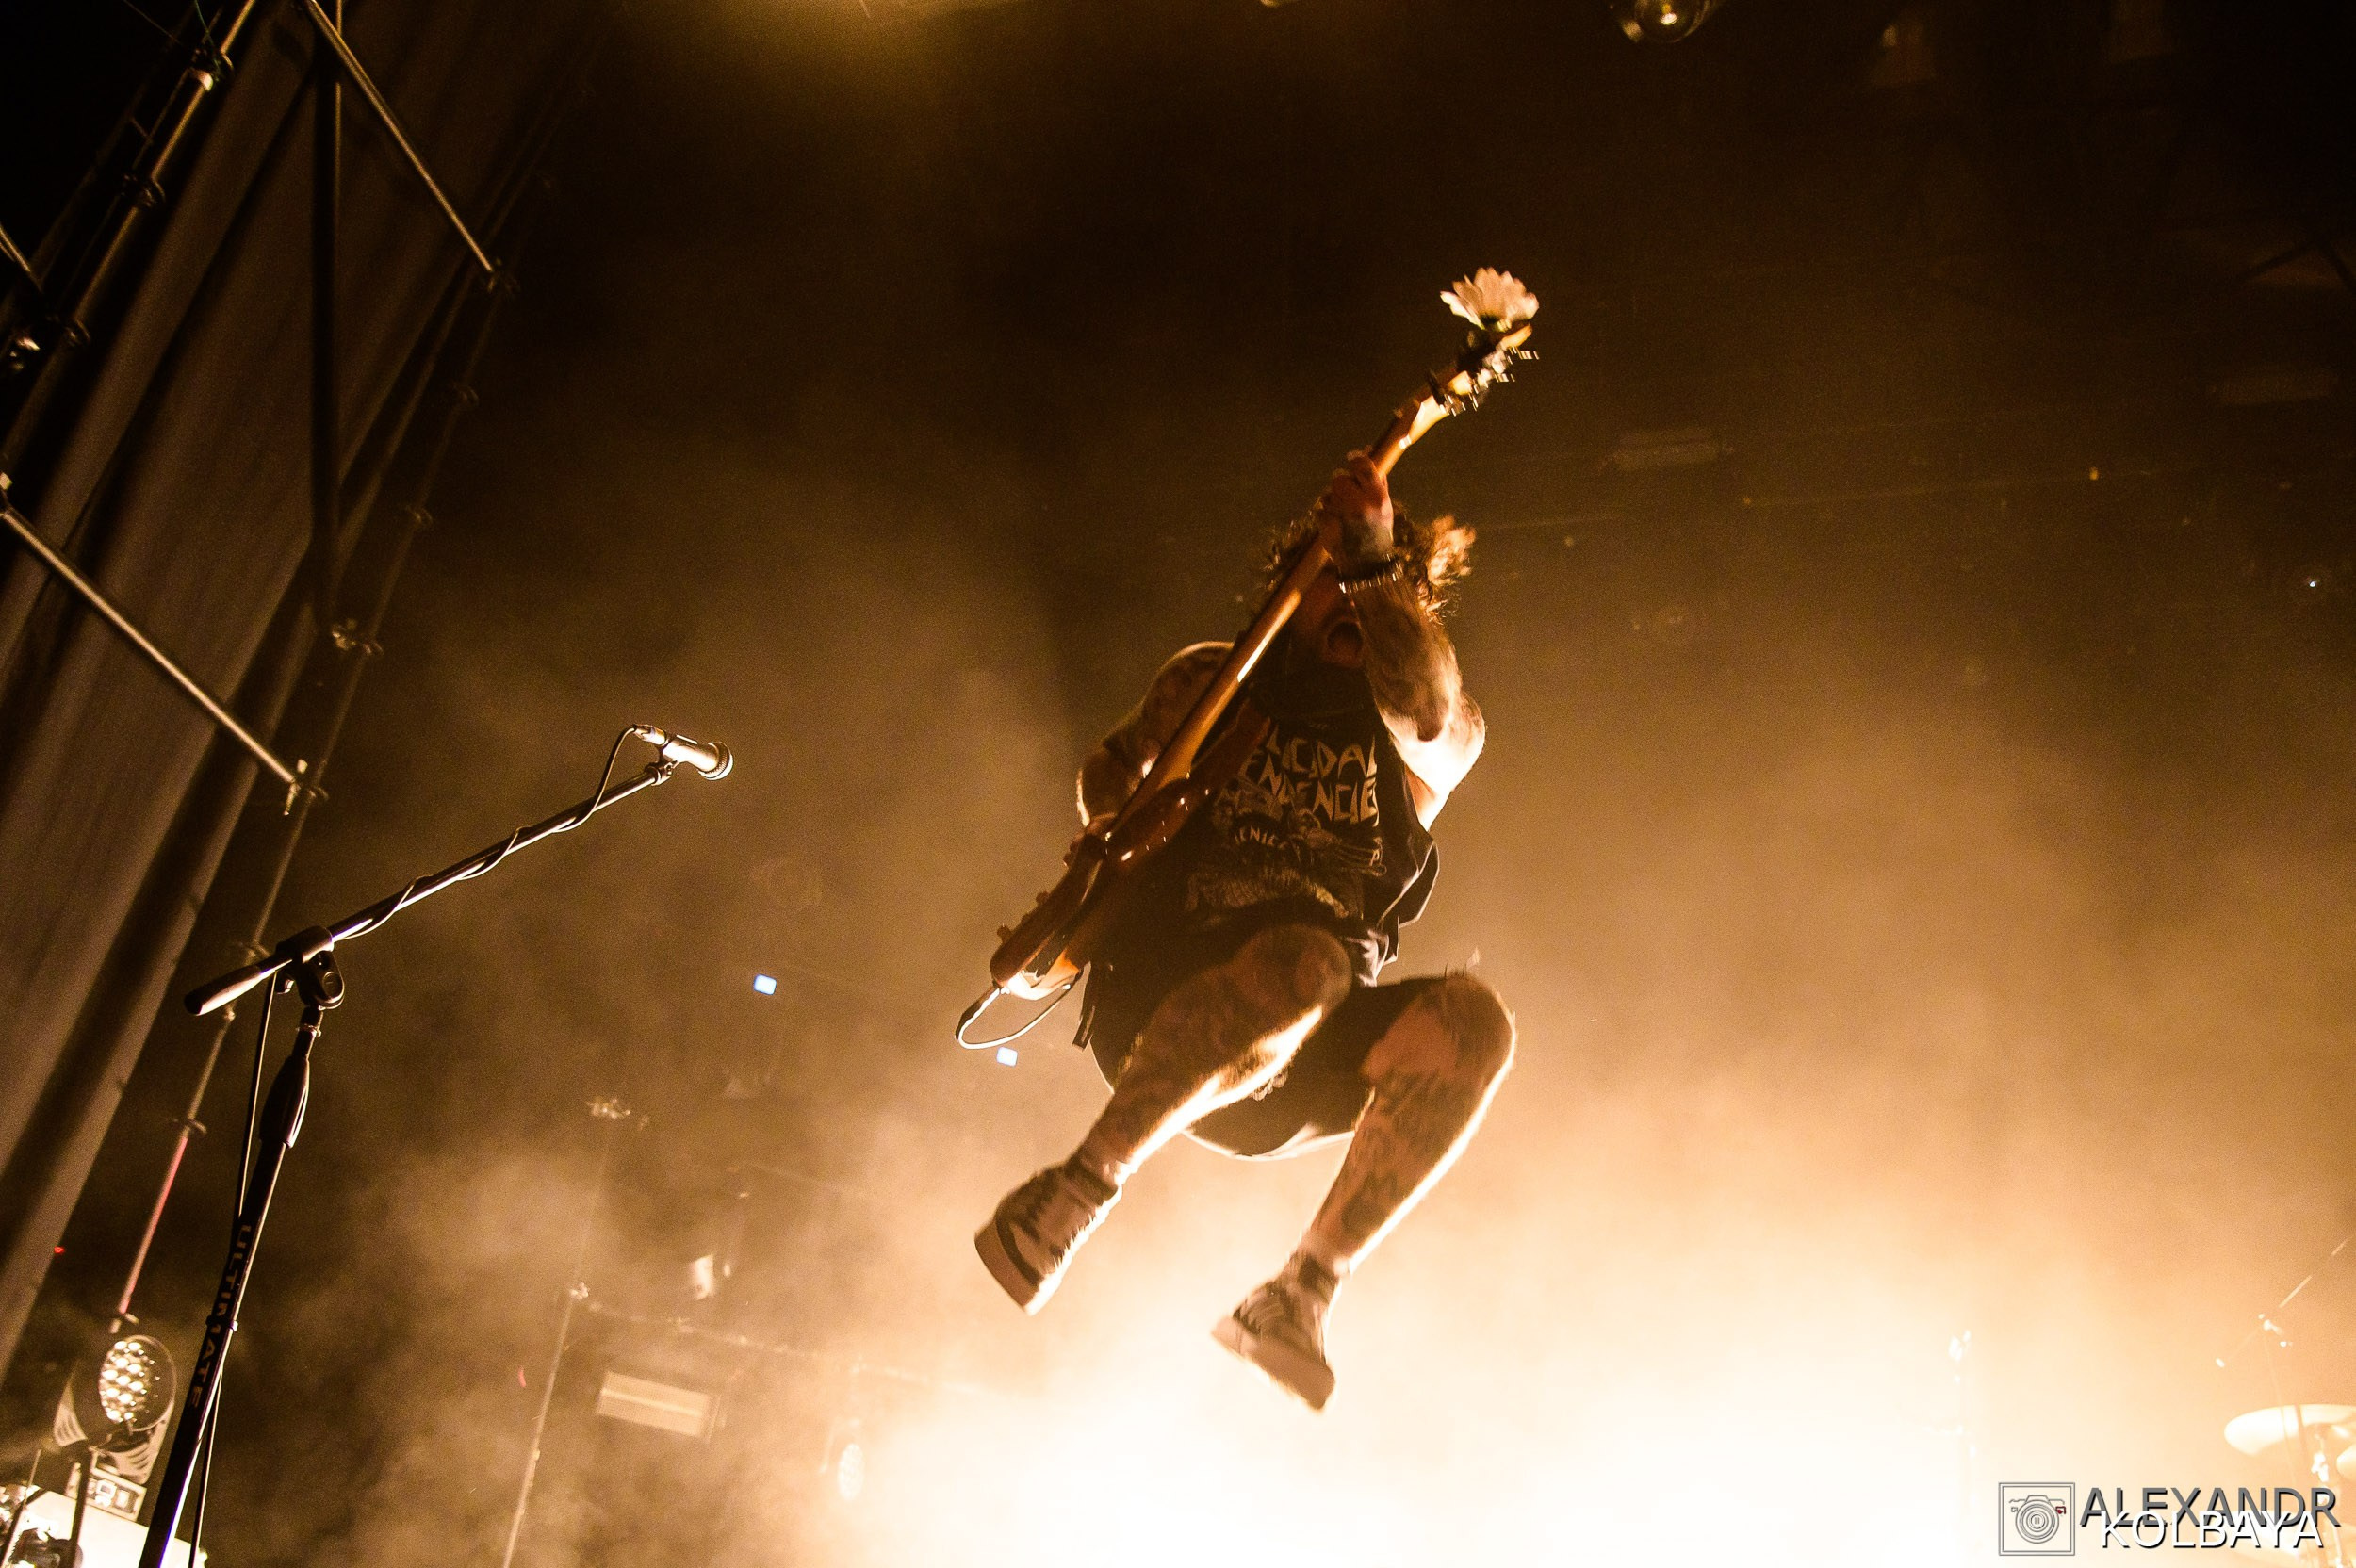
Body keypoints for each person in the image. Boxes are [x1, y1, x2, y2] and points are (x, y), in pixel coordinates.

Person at [974, 450, 1515, 1411]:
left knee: (1472, 1022)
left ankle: (1299, 1291)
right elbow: (1108, 784)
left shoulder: (1435, 731)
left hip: (1292, 1042)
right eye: (1329, 580)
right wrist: (1110, 832)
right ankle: (1069, 1193)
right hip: (1160, 998)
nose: (1347, 603)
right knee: (1303, 959)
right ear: (1293, 589)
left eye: (1371, 585)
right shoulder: (1214, 682)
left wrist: (1372, 559)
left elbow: (1426, 700)